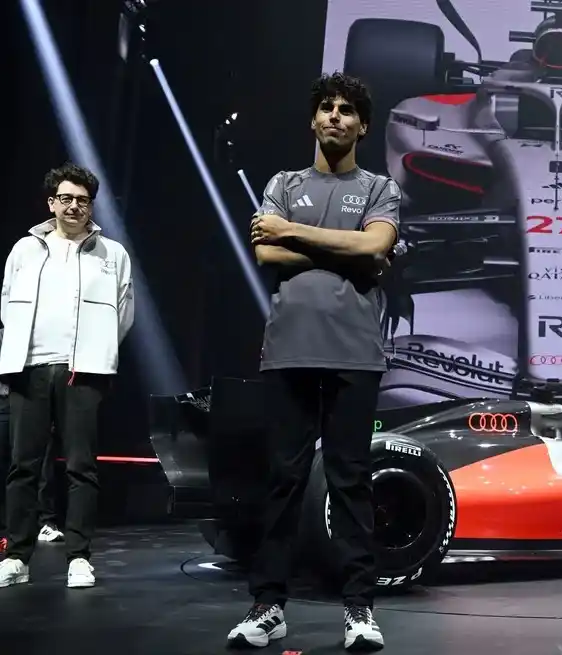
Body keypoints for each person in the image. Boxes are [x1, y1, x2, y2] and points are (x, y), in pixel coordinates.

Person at [225, 72, 399, 651]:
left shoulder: (379, 187)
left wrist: (294, 233)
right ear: (313, 120)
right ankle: (268, 606)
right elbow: (265, 251)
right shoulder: (283, 183)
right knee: (283, 481)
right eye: (326, 107)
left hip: (355, 352)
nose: (335, 116)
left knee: (350, 482)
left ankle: (359, 609)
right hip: (289, 351)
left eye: (347, 110)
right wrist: (347, 250)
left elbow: (375, 245)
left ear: (362, 126)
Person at [0, 163, 135, 590]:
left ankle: (79, 557)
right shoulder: (24, 250)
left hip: (82, 370)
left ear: (91, 206)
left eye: (83, 200)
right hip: (29, 369)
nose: (74, 207)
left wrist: (98, 351)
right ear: (51, 203)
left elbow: (123, 312)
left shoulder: (112, 254)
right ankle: (17, 558)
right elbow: (7, 302)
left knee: (81, 467)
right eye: (66, 198)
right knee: (23, 466)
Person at [0, 329, 64, 555]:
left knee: (16, 471)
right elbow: (1, 366)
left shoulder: (36, 341)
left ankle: (4, 533)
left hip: (22, 405)